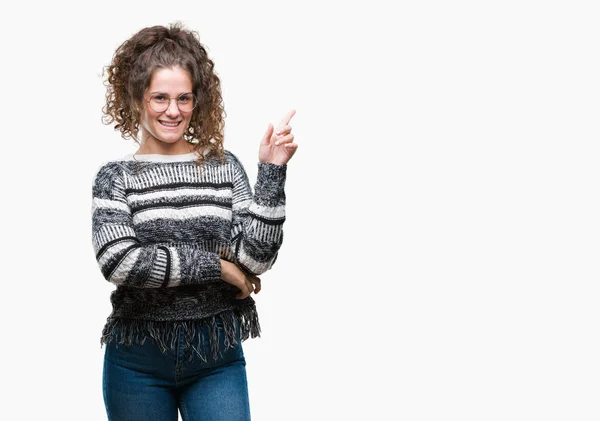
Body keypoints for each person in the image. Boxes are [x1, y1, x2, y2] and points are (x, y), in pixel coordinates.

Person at [91, 22, 297, 421]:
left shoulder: (224, 168)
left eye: (184, 98)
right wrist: (220, 268)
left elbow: (254, 260)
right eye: (160, 98)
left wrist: (271, 173)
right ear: (136, 97)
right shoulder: (115, 178)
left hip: (217, 356)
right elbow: (120, 262)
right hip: (137, 362)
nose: (174, 111)